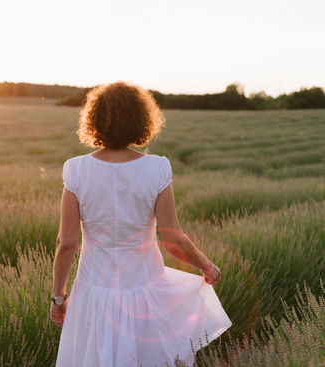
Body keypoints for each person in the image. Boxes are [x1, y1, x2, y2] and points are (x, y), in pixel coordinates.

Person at [50, 81, 232, 367]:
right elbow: (173, 239)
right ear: (141, 120)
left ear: (95, 119)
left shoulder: (76, 170)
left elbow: (67, 244)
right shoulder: (156, 168)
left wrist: (59, 297)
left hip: (93, 292)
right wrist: (205, 265)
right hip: (145, 290)